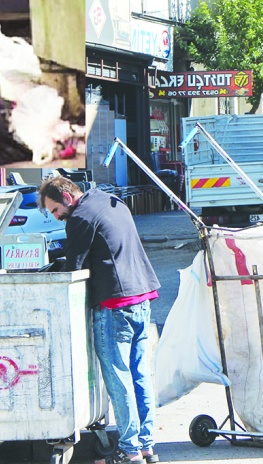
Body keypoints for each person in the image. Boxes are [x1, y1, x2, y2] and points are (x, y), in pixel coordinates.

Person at [39, 177, 161, 464]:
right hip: (142, 298)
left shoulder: (80, 217)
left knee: (119, 379)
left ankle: (129, 450)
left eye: (55, 210)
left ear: (67, 198)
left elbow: (73, 266)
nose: (57, 217)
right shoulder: (111, 202)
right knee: (140, 375)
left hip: (114, 305)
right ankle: (147, 447)